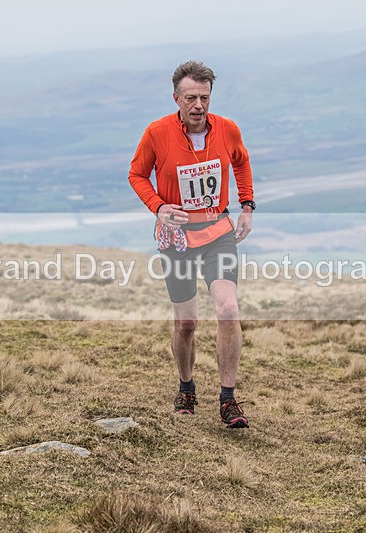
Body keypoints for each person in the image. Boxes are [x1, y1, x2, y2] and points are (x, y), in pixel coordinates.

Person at [128, 61, 256, 429]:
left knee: (228, 309)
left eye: (204, 97)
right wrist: (159, 206)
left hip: (218, 233)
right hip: (178, 240)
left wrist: (247, 206)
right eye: (191, 98)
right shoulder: (156, 133)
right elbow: (137, 174)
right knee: (186, 323)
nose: (199, 105)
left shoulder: (228, 130)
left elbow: (242, 164)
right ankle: (186, 387)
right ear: (176, 99)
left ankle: (228, 400)